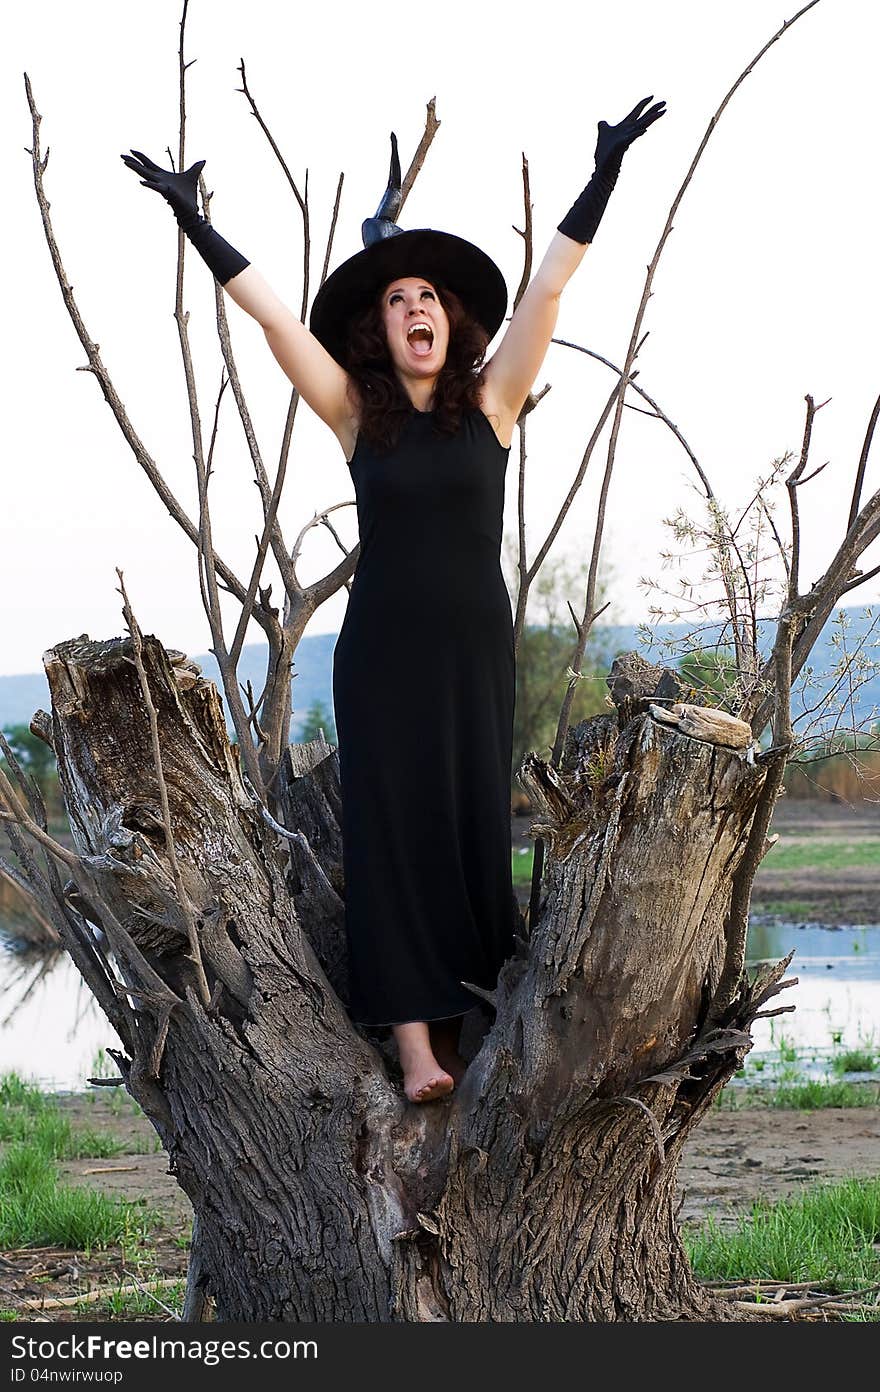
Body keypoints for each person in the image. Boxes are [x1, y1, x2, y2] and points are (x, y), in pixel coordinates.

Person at [121, 96, 666, 1103]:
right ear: (378, 331)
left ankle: (472, 1026)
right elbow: (275, 316)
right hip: (384, 656)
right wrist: (195, 221)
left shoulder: (494, 405)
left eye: (424, 295)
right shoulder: (354, 418)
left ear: (447, 319)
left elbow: (547, 290)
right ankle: (417, 1053)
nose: (410, 307)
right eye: (392, 300)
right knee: (391, 832)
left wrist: (605, 172)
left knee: (468, 830)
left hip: (474, 654)